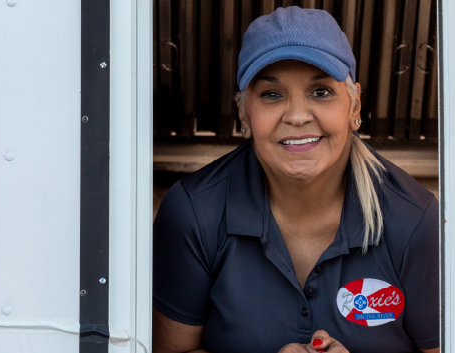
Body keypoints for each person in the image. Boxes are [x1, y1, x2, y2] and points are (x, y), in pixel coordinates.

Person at [152, 6, 439, 353]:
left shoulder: (414, 221)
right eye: (272, 94)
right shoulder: (195, 212)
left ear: (354, 106)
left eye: (321, 91)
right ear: (244, 112)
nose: (298, 116)